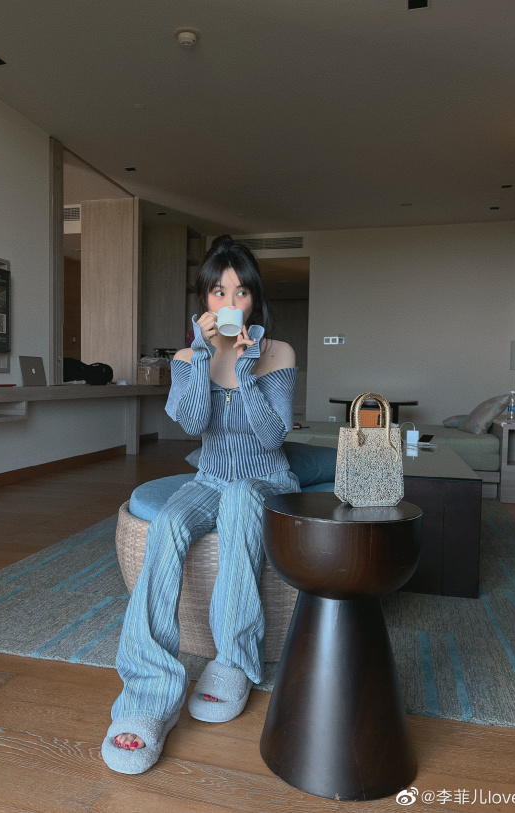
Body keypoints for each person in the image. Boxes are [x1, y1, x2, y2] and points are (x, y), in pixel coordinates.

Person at [101, 235, 300, 774]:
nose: (230, 303)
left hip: (264, 479)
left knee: (240, 499)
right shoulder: (190, 356)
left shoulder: (278, 353)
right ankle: (148, 692)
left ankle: (233, 660)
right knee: (168, 523)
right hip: (210, 477)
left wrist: (245, 368)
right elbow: (191, 422)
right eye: (219, 292)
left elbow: (271, 436)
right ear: (205, 300)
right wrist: (206, 355)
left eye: (241, 292)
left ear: (254, 299)